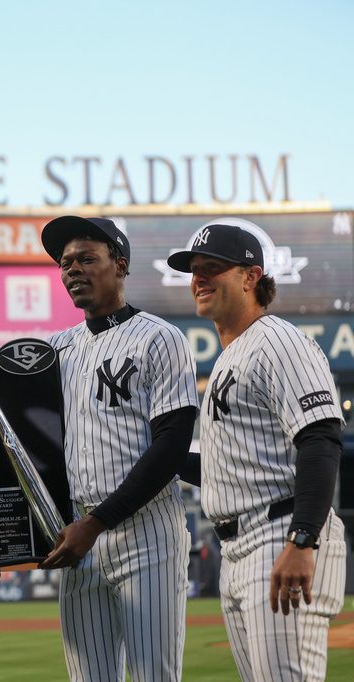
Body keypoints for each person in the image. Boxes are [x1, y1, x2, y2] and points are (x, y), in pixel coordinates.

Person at [0, 216, 198, 682]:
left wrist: (96, 523)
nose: (73, 268)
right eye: (65, 262)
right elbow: (31, 457)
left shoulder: (160, 337)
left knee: (154, 674)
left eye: (87, 258)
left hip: (144, 532)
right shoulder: (54, 351)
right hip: (76, 535)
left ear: (121, 265)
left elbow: (172, 443)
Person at [167, 222, 347, 681]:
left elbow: (320, 438)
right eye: (194, 270)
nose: (199, 279)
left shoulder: (279, 342)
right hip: (239, 547)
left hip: (280, 534)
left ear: (251, 277)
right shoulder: (232, 354)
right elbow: (229, 470)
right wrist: (158, 461)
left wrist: (302, 539)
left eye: (213, 269)